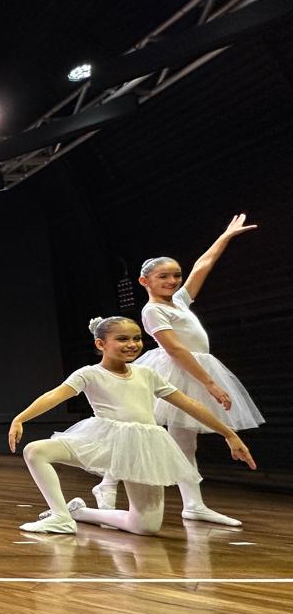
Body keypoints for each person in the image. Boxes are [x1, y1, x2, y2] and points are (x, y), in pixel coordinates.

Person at [9, 316, 256, 535]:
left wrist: (229, 434)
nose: (132, 344)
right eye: (122, 339)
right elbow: (55, 395)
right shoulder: (89, 374)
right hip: (104, 442)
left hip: (143, 448)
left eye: (137, 338)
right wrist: (21, 418)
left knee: (145, 527)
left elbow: (189, 404)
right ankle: (61, 517)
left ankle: (79, 513)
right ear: (101, 344)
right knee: (35, 451)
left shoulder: (147, 374)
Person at [93, 215, 262, 526]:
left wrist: (225, 237)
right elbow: (175, 349)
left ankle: (193, 504)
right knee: (136, 429)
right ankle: (107, 482)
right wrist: (210, 384)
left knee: (185, 442)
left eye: (175, 276)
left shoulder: (180, 301)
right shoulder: (152, 310)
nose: (172, 281)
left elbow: (202, 266)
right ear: (145, 282)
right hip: (172, 372)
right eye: (163, 277)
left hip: (192, 370)